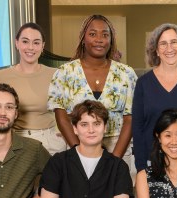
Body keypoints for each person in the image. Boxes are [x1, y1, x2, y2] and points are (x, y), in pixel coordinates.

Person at [48, 14, 138, 177]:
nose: (99, 39)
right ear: (83, 38)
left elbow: (130, 119)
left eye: (105, 35)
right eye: (92, 34)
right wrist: (79, 155)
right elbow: (62, 118)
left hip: (118, 147)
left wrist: (114, 161)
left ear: (111, 40)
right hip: (78, 146)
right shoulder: (65, 73)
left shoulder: (126, 74)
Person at [132, 23, 177, 171]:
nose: (169, 48)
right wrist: (141, 168)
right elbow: (138, 129)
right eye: (163, 44)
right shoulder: (143, 84)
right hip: (150, 164)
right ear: (156, 51)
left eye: (174, 42)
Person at [0, 22, 65, 155]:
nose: (30, 47)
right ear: (16, 43)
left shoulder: (56, 74)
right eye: (25, 41)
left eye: (36, 43)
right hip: (16, 141)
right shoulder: (1, 76)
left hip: (51, 140)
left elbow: (71, 109)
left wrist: (65, 132)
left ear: (43, 46)